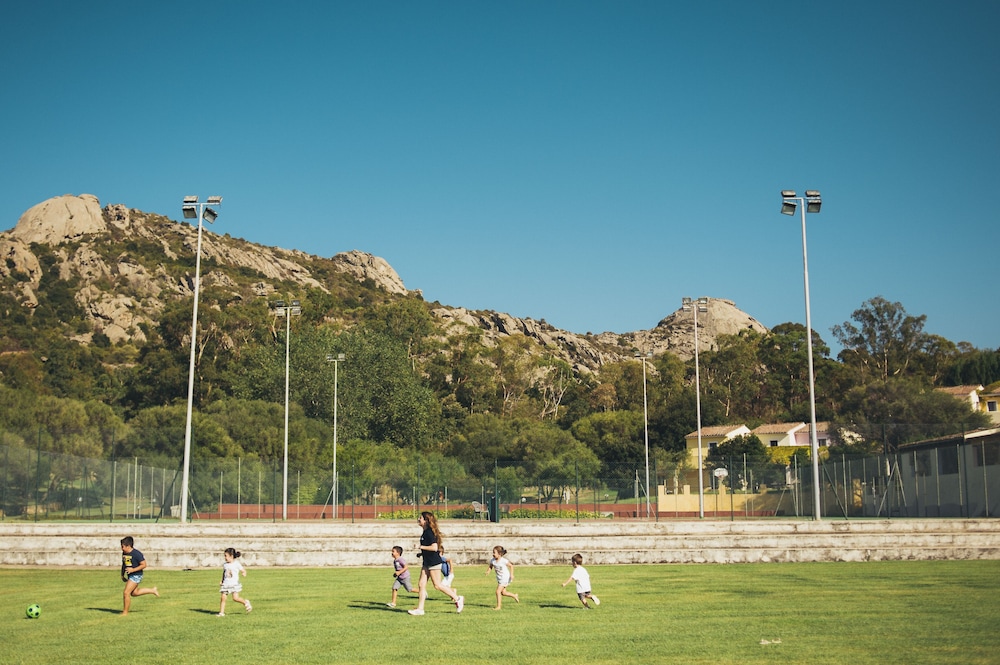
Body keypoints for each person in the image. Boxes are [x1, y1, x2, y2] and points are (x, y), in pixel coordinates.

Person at [408, 511, 464, 615]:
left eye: (420, 518)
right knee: (421, 584)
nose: (418, 519)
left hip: (433, 562)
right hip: (426, 562)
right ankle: (420, 609)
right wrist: (421, 553)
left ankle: (458, 598)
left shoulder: (429, 532)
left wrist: (420, 547)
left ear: (426, 520)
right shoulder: (425, 532)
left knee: (437, 585)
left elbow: (434, 548)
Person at [120, 536, 159, 615]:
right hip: (130, 575)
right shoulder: (124, 553)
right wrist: (122, 574)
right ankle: (152, 590)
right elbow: (124, 564)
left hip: (136, 575)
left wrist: (133, 570)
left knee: (126, 593)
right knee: (134, 593)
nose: (121, 548)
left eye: (123, 546)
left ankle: (125, 612)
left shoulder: (137, 554)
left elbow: (144, 565)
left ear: (128, 546)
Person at [217, 547, 252, 616]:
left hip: (234, 584)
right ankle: (221, 613)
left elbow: (243, 570)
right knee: (223, 598)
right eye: (224, 556)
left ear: (231, 556)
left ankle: (245, 602)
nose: (225, 558)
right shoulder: (225, 564)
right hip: (226, 584)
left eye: (226, 556)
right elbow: (224, 573)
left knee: (235, 598)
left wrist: (244, 573)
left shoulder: (236, 564)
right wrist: (222, 580)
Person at [486, 545, 519, 610]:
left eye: (494, 553)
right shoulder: (493, 560)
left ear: (499, 554)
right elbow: (491, 566)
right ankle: (514, 595)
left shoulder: (503, 560)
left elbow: (511, 566)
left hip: (505, 578)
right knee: (503, 593)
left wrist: (512, 574)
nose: (493, 554)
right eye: (493, 552)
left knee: (498, 592)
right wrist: (488, 571)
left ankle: (498, 606)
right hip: (499, 578)